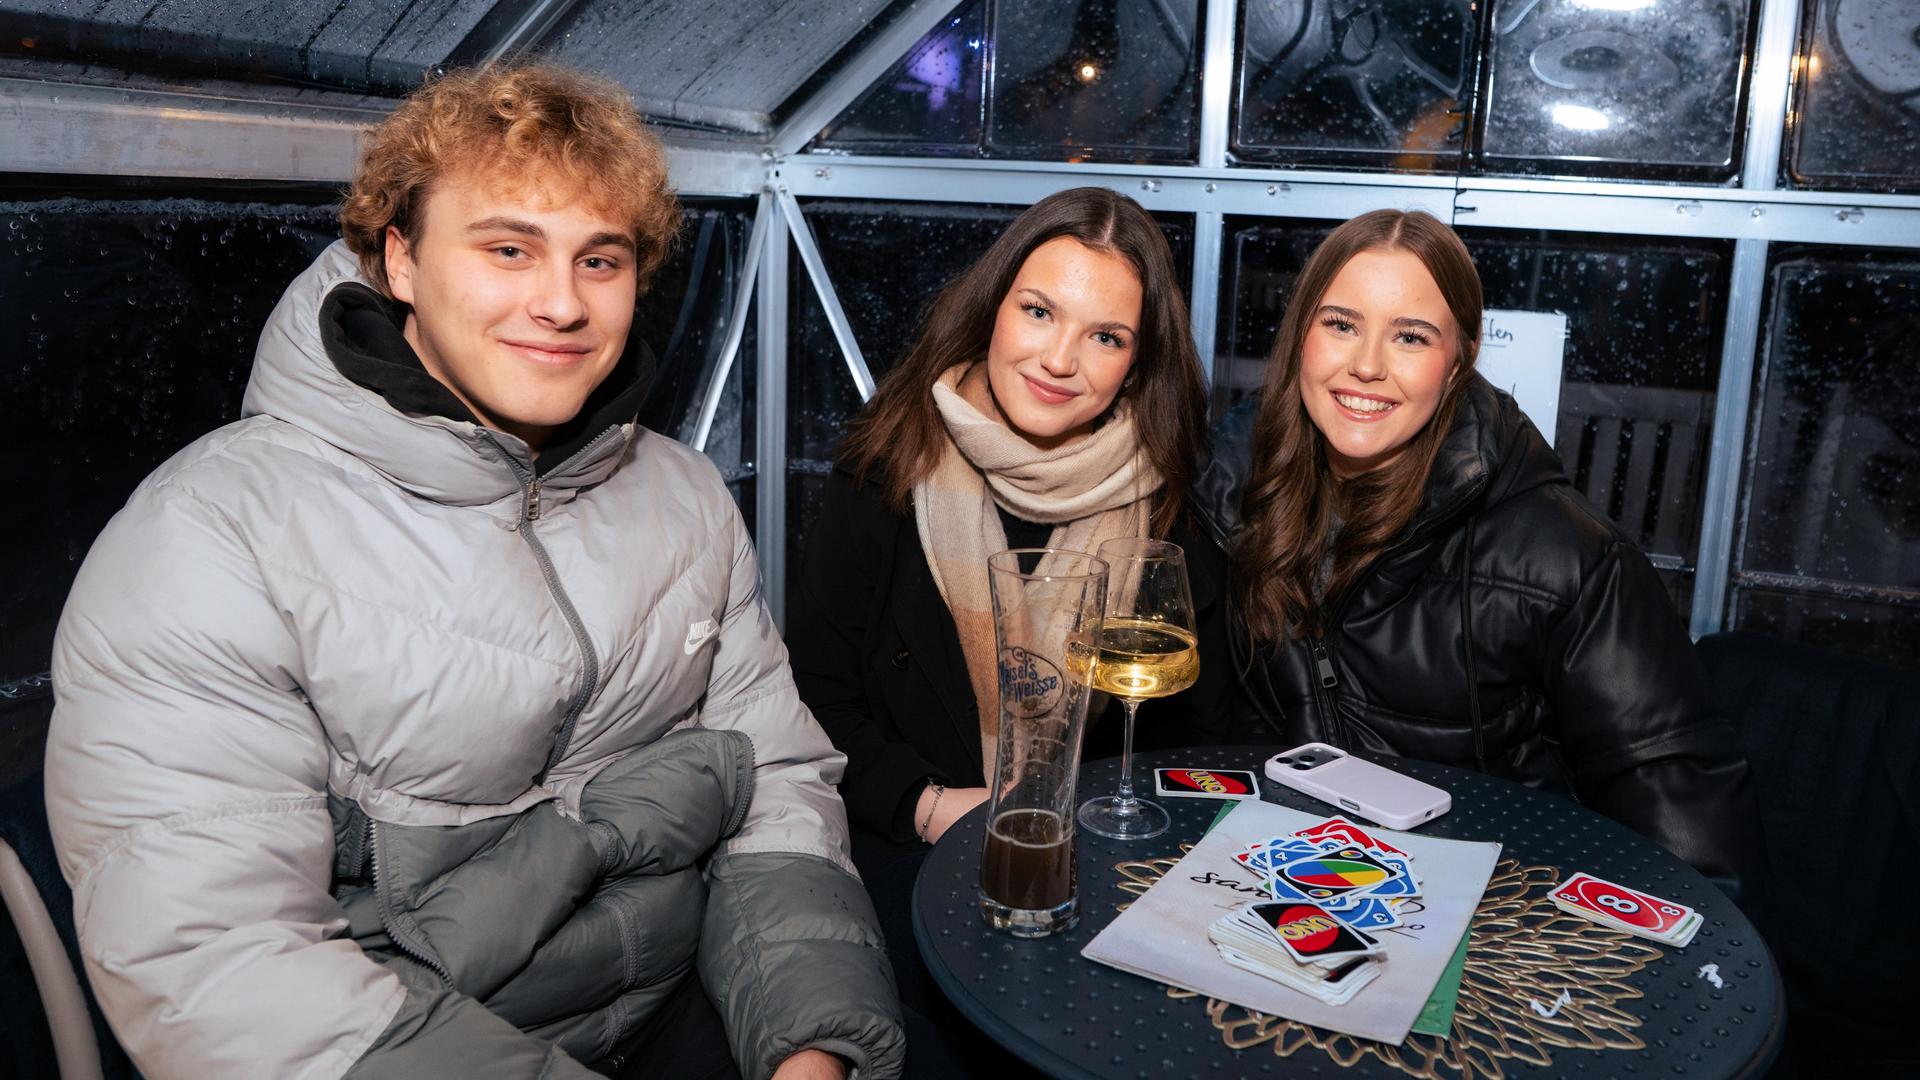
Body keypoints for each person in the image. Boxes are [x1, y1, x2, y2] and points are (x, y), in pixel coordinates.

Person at [44, 63, 902, 1080]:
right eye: (508, 248)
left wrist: (811, 1042)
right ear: (398, 260)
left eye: (601, 260)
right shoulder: (211, 536)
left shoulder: (682, 495)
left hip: (689, 999)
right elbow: (227, 972)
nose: (561, 303)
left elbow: (778, 784)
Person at [784, 187, 1227, 1063]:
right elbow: (811, 699)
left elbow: (1201, 744)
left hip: (1089, 863)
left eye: (1105, 337)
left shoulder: (1170, 507)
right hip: (900, 841)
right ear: (991, 311)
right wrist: (932, 805)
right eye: (1038, 311)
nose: (1061, 358)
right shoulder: (883, 468)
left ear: (1136, 367)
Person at [1198, 208, 1761, 886]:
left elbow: (1689, 831)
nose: (1367, 365)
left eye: (1409, 336)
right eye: (1340, 324)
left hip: (1503, 915)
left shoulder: (1566, 557)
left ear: (1458, 358)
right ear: (1300, 338)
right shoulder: (1236, 499)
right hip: (1299, 878)